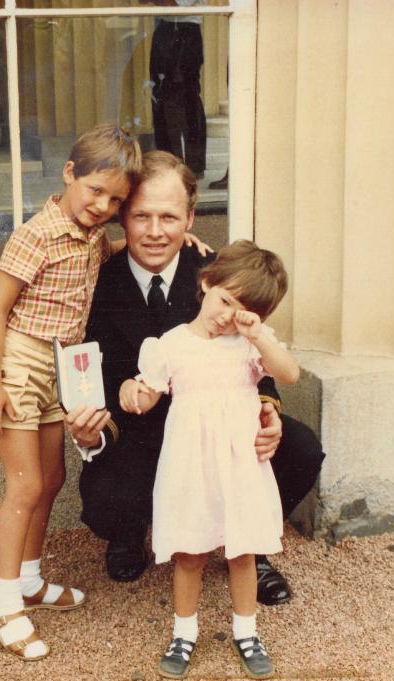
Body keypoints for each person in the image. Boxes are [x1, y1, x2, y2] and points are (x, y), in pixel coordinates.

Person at [67, 151, 325, 606]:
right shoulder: (99, 284)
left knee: (300, 448)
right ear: (123, 217)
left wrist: (269, 408)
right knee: (109, 497)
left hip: (222, 425)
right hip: (142, 431)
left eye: (169, 216)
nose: (154, 231)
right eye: (141, 215)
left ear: (190, 217)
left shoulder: (214, 276)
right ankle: (128, 536)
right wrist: (95, 422)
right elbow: (96, 369)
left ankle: (250, 545)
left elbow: (249, 345)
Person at [0, 123, 141, 662]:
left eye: (115, 199)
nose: (103, 205)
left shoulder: (92, 237)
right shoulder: (37, 233)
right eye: (95, 190)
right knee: (23, 486)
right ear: (70, 174)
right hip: (21, 360)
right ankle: (2, 604)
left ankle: (28, 579)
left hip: (63, 365)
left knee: (52, 479)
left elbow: (106, 251)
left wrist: (168, 239)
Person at [120, 240, 298, 679]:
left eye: (241, 312)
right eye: (224, 301)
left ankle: (246, 630)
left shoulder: (248, 346)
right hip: (191, 466)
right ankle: (184, 631)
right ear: (206, 283)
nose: (226, 317)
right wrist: (134, 394)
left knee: (242, 551)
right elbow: (150, 390)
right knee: (190, 552)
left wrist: (255, 333)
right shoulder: (173, 344)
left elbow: (289, 374)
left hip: (239, 465)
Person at [149, 0, 207, 175]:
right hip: (164, 27)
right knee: (159, 97)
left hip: (186, 29)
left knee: (188, 99)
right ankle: (168, 164)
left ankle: (194, 165)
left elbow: (176, 3)